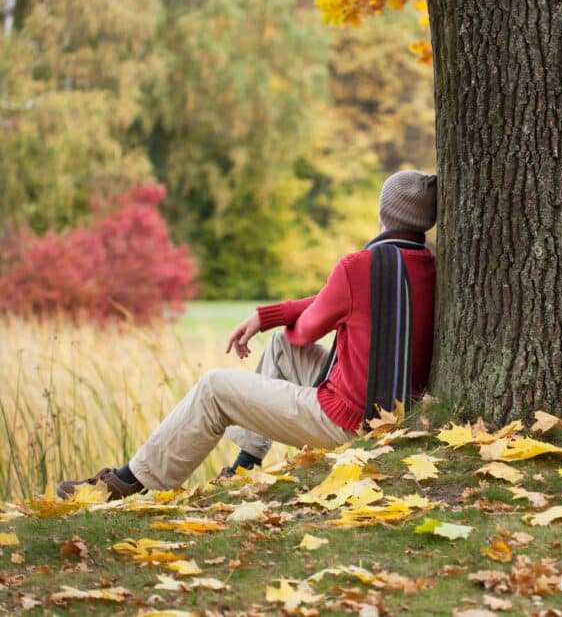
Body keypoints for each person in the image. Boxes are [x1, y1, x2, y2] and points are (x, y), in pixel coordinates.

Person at [58, 170, 438, 499]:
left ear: (382, 212)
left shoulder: (359, 265)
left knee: (214, 389)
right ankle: (245, 464)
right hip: (395, 409)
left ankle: (128, 482)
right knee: (279, 343)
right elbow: (334, 304)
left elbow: (306, 332)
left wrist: (325, 315)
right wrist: (270, 316)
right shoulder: (430, 264)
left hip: (348, 422)